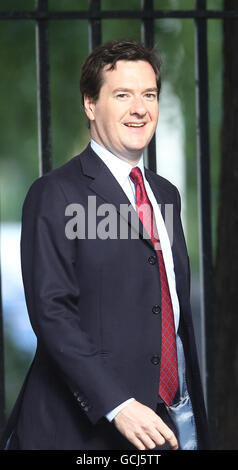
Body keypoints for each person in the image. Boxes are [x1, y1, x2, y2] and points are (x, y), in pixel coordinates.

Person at [0, 40, 210, 451]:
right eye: (122, 95)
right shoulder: (55, 193)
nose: (140, 108)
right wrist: (118, 403)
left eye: (149, 94)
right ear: (90, 105)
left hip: (166, 424)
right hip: (83, 430)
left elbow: (168, 308)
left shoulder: (166, 195)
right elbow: (51, 311)